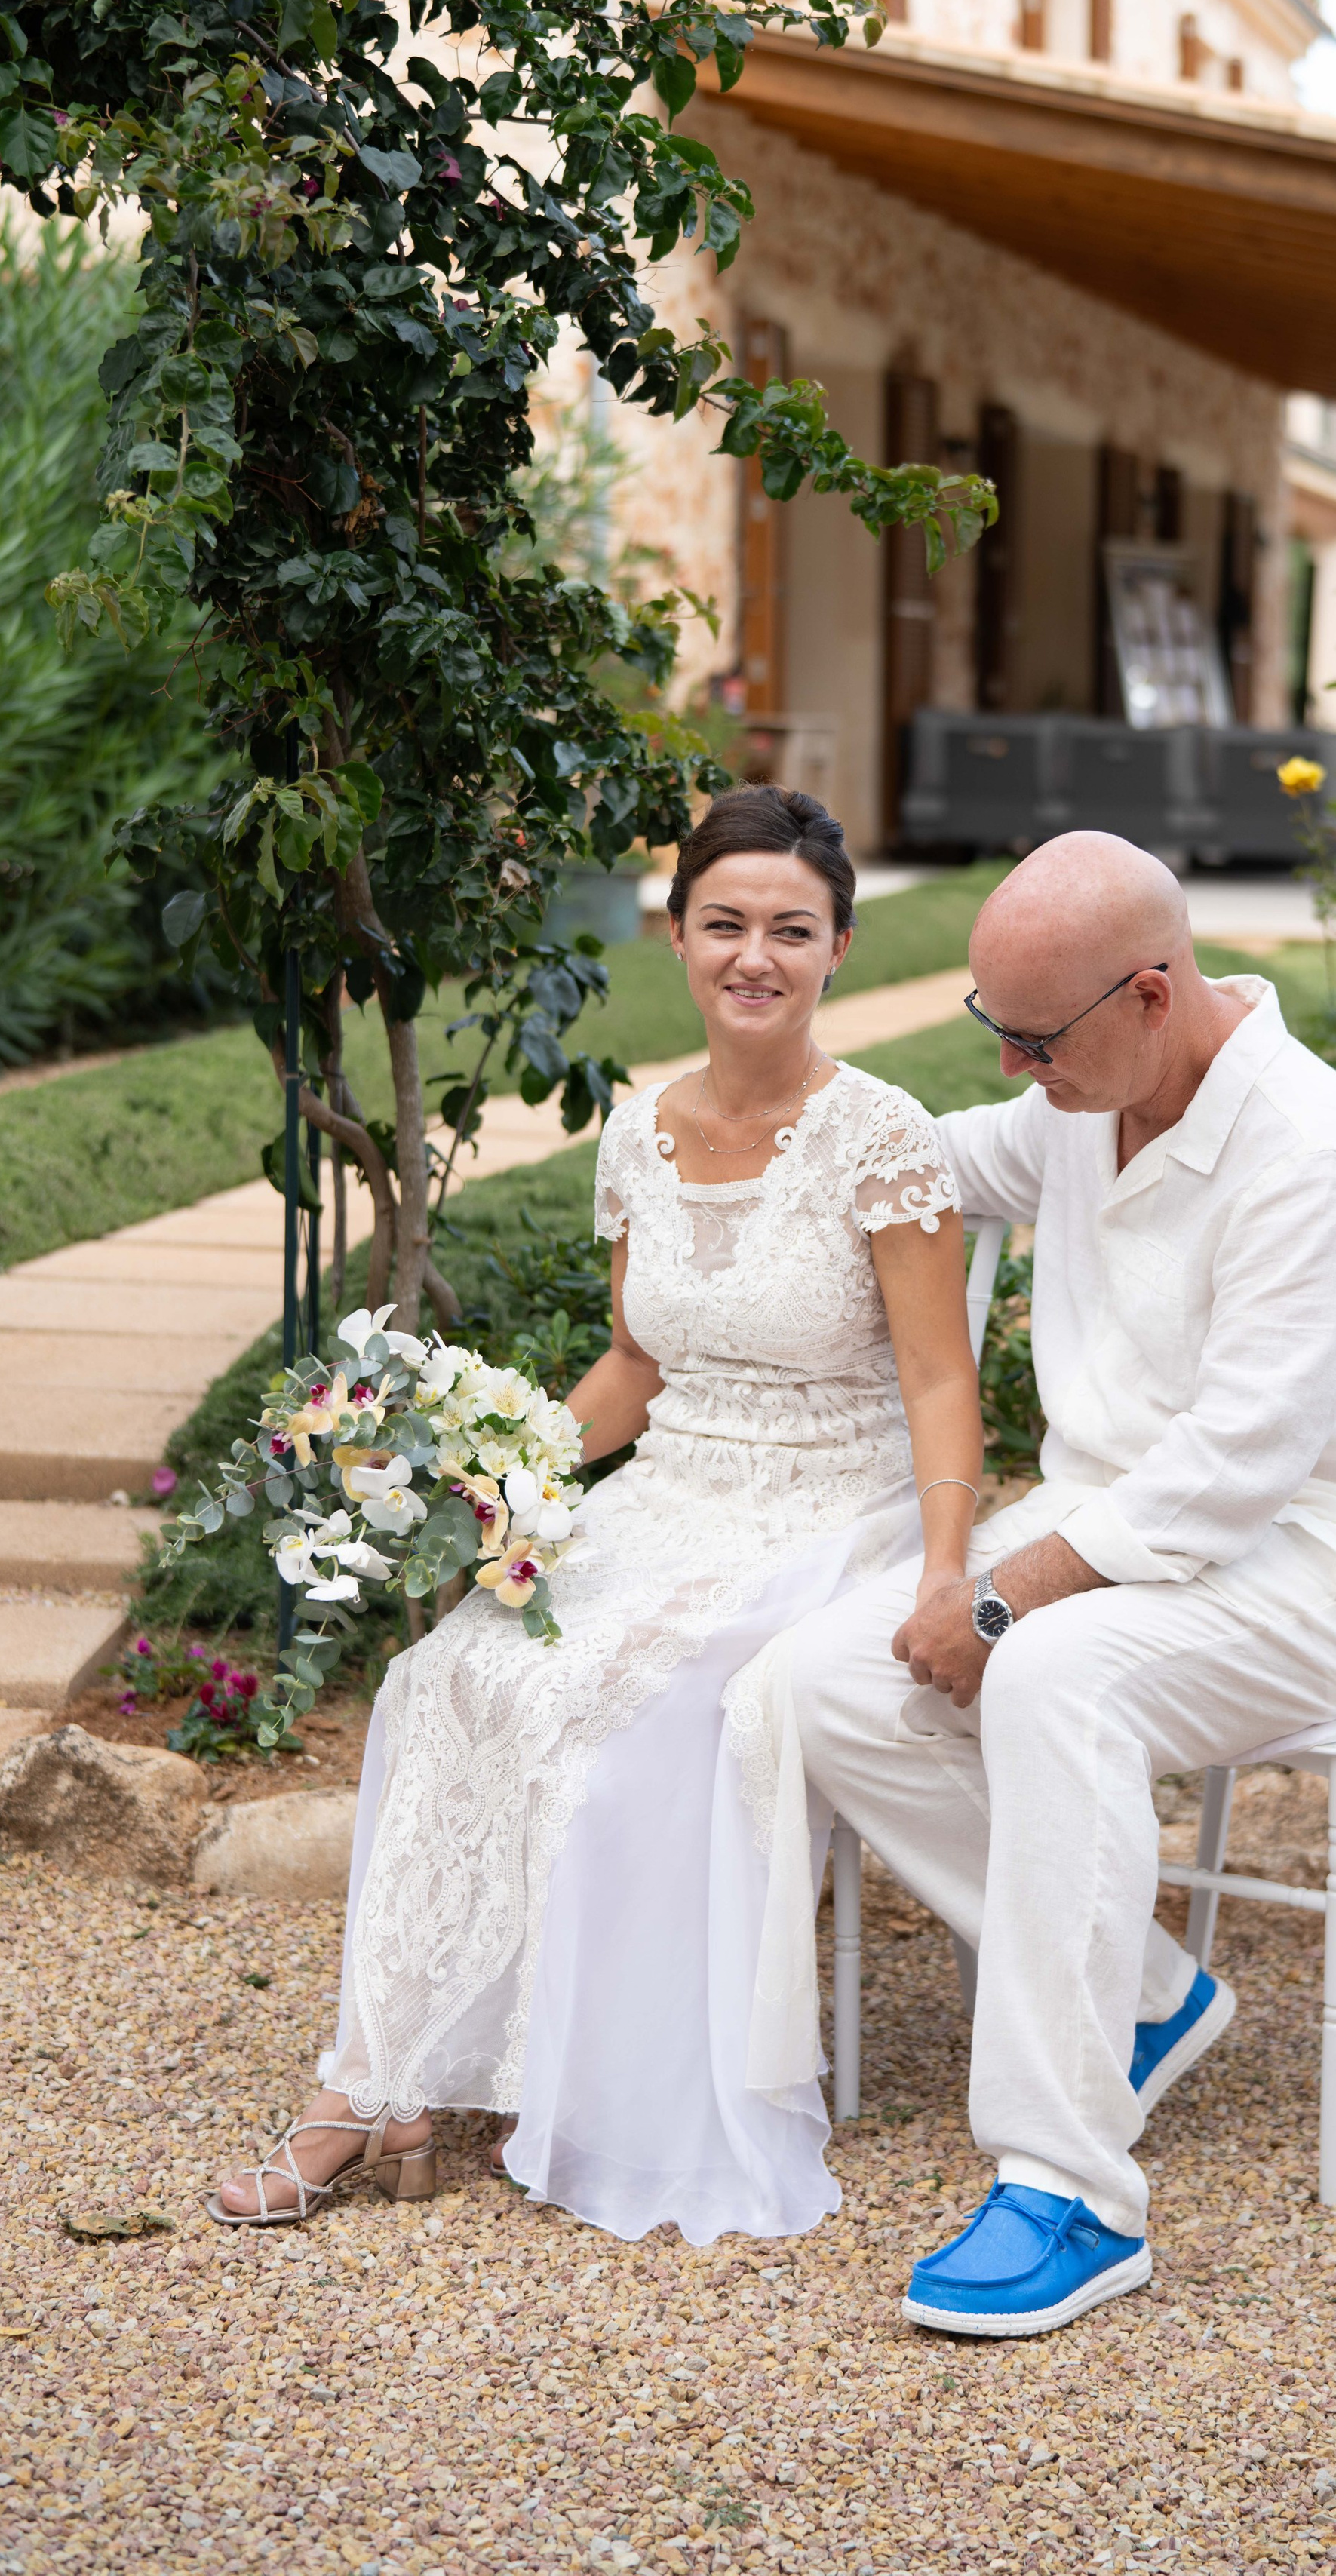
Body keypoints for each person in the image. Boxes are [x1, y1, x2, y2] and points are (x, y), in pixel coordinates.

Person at [208, 785, 982, 2240]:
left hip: (833, 1507)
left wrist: (946, 1574)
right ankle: (379, 2084)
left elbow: (943, 1382)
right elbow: (635, 1361)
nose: (756, 956)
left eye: (792, 931)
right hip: (675, 1483)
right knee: (444, 1676)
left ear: (841, 949)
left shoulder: (883, 1136)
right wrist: (511, 1480)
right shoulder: (641, 1129)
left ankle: (601, 2090)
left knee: (599, 1712)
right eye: (727, 924)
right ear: (678, 934)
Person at [780, 831, 1336, 2336]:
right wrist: (764, 1107)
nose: (1016, 1066)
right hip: (1139, 1532)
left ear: (1152, 995)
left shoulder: (1314, 1158)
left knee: (1043, 1669)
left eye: (1035, 1038)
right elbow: (934, 1159)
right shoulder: (1083, 1101)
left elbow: (1229, 1476)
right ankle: (1149, 1993)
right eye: (998, 1034)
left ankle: (1069, 2188)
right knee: (818, 1684)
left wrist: (992, 1593)